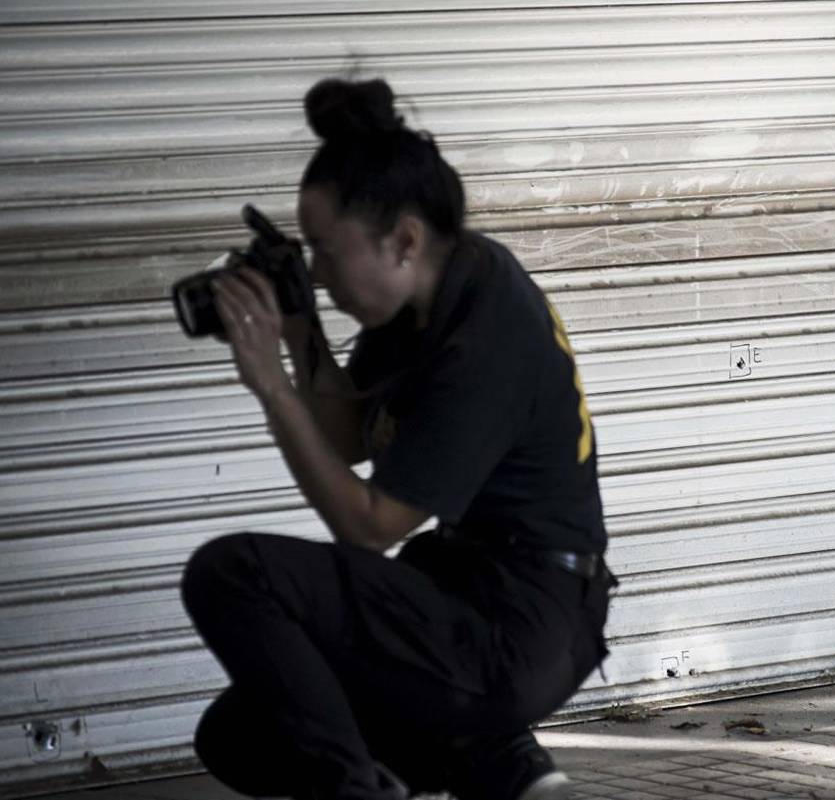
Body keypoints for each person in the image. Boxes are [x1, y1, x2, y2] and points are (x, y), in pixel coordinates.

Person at [179, 77, 614, 800]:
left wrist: (273, 387)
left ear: (404, 239)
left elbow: (367, 524)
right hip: (466, 593)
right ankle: (498, 759)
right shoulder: (425, 297)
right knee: (242, 733)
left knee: (230, 572)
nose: (316, 271)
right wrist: (298, 327)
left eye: (324, 251)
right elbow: (350, 431)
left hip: (526, 623)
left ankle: (379, 782)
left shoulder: (484, 335)